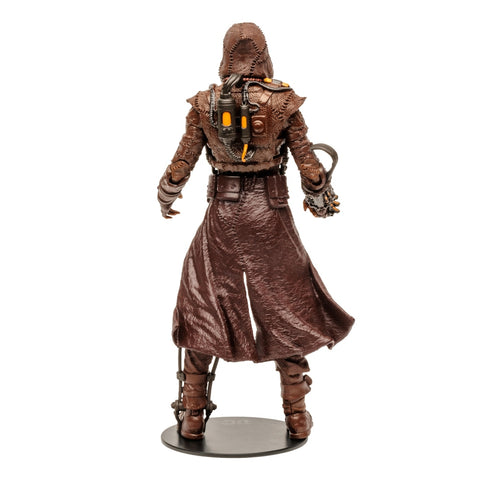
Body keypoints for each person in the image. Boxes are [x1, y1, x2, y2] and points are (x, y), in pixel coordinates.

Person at [157, 22, 354, 441]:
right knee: (286, 309)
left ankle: (192, 417)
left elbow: (181, 163)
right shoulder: (283, 102)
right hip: (271, 215)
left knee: (204, 306)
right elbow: (309, 167)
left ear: (225, 54)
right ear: (263, 55)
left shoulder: (205, 103)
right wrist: (320, 198)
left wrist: (166, 195)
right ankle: (296, 416)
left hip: (222, 216)